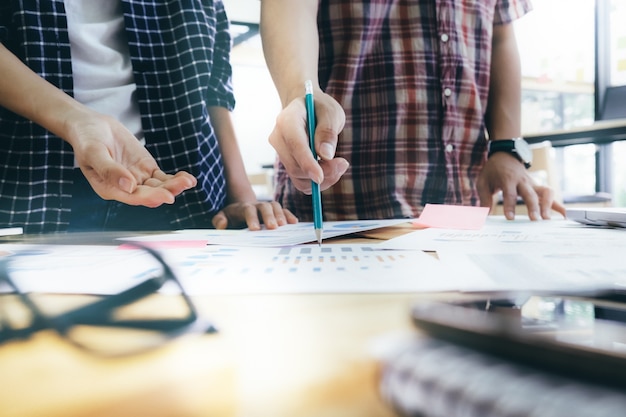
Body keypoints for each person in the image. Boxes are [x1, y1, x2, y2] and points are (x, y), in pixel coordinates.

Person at [0, 0, 297, 234]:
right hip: (29, 189)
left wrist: (240, 196)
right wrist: (77, 120)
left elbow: (213, 82)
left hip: (186, 195)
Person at [260, 0, 566, 222]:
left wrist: (505, 145)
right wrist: (302, 93)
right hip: (340, 204)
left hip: (460, 209)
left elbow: (500, 33)